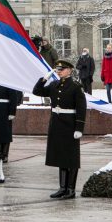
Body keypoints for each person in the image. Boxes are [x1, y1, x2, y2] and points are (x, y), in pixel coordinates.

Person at [32, 59, 86, 199]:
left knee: (71, 157)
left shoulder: (76, 86)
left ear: (69, 70)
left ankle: (71, 189)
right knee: (61, 156)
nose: (59, 71)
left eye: (62, 69)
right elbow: (37, 91)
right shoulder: (54, 84)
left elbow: (81, 108)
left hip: (70, 124)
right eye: (57, 69)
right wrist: (44, 78)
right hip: (57, 123)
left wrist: (79, 128)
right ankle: (62, 187)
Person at [0, 82, 22, 177]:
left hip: (4, 110)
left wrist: (12, 112)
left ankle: (4, 154)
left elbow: (13, 98)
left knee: (5, 133)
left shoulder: (7, 83)